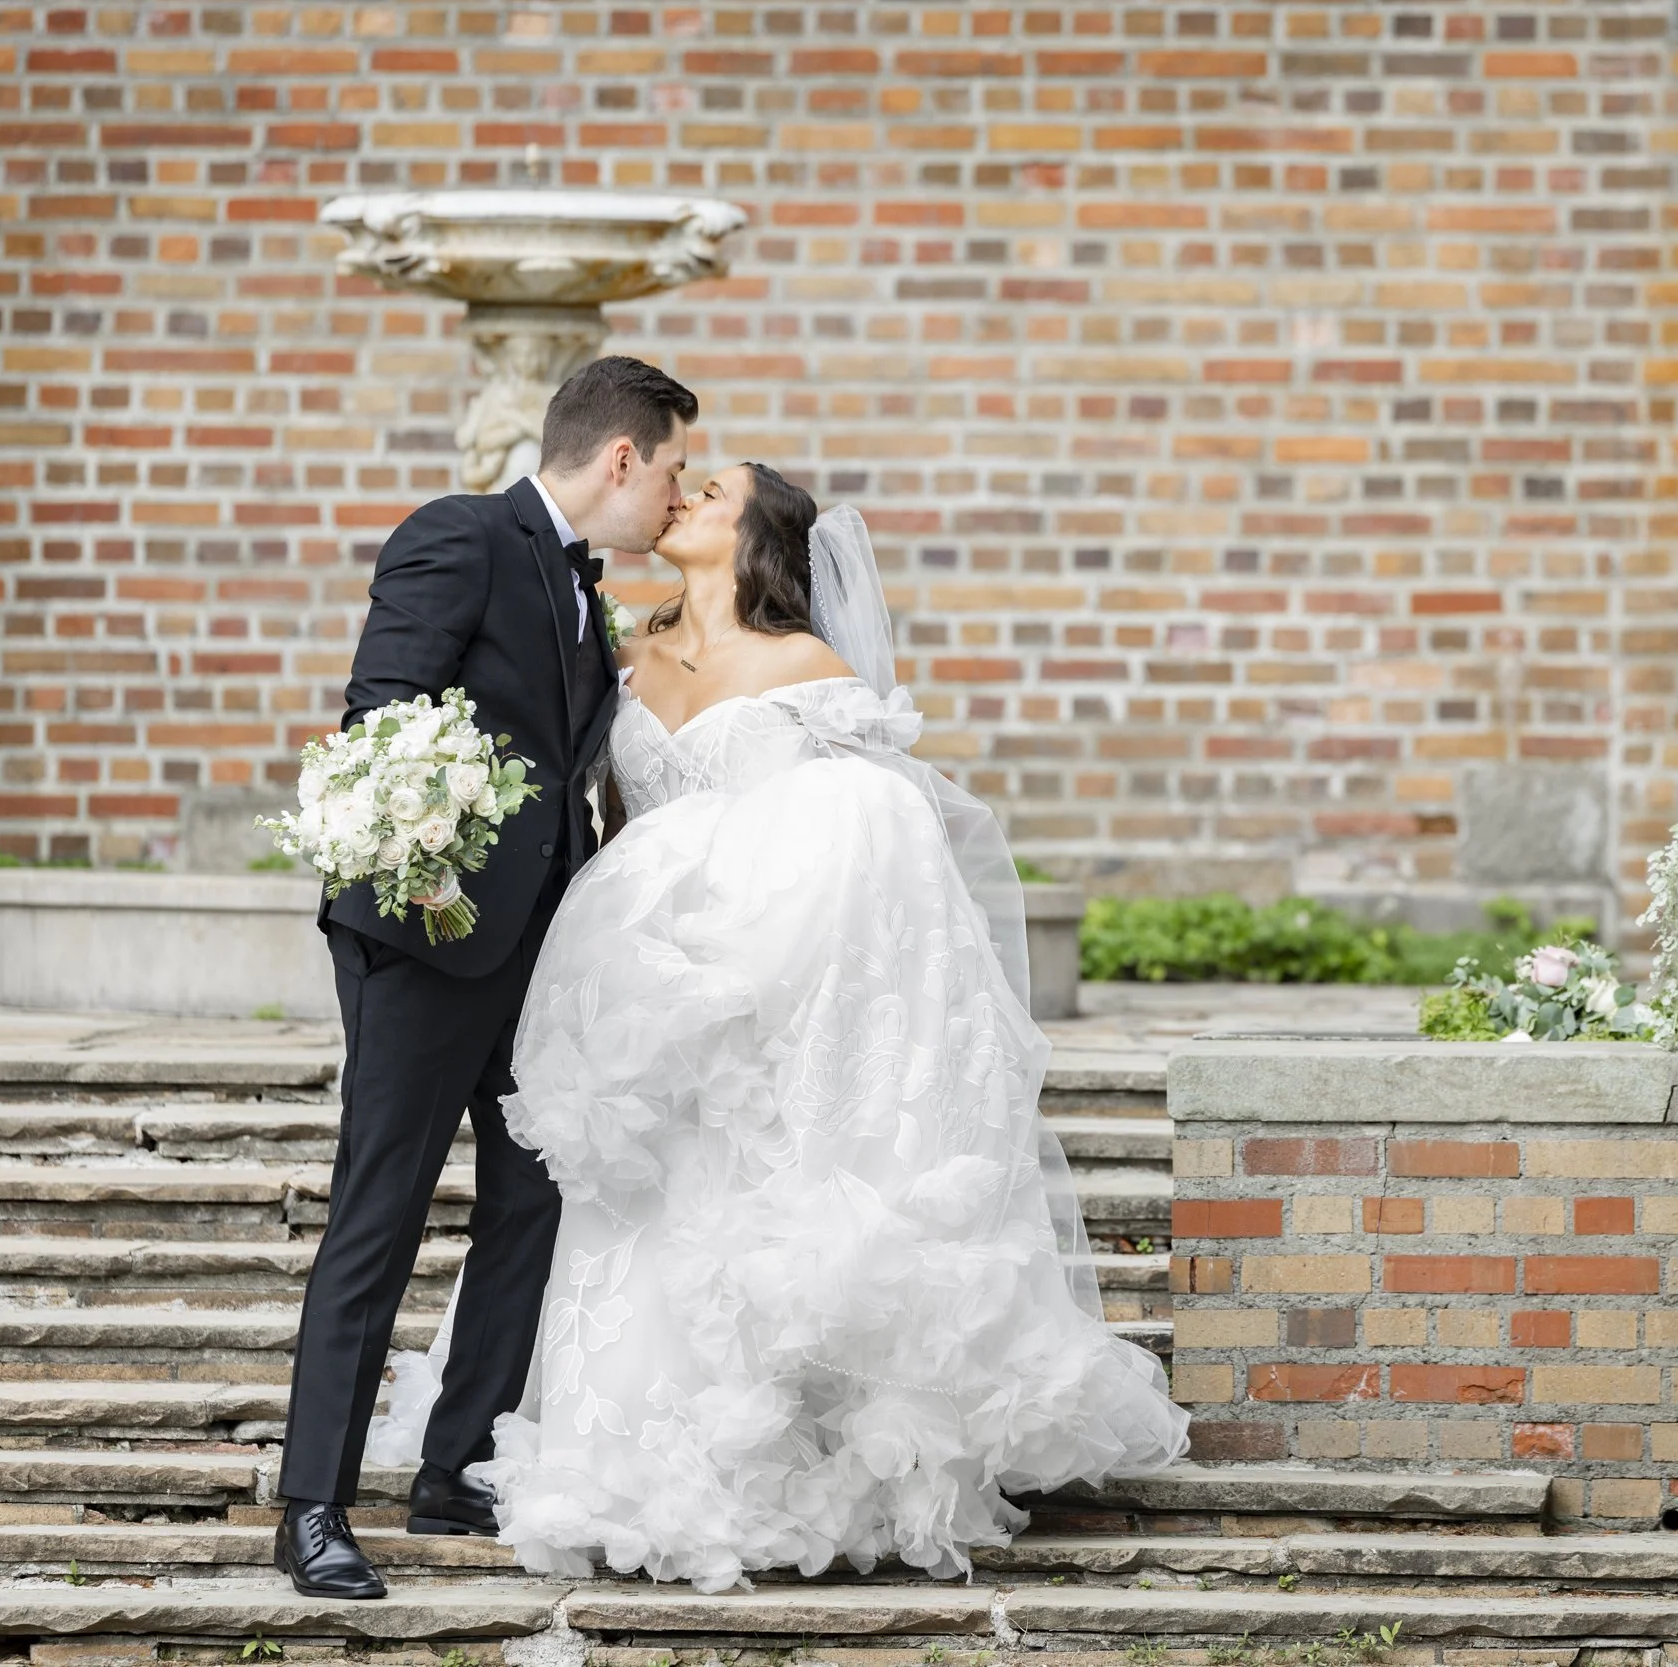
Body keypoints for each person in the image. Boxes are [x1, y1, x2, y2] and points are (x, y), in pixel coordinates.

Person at [371, 462, 1189, 1591]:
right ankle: (601, 1434)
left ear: (756, 532)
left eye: (711, 489)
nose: (683, 495)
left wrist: (764, 961)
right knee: (629, 1194)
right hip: (641, 972)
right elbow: (606, 804)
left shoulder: (808, 668)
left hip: (764, 975)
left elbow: (873, 840)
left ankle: (771, 1450)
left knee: (737, 1197)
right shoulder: (626, 645)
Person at [274, 356, 699, 1600]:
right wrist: (429, 887)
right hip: (424, 940)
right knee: (382, 1206)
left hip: (535, 957)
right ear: (619, 457)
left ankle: (455, 1462)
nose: (675, 495)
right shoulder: (459, 535)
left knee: (534, 1195)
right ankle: (312, 1507)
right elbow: (381, 722)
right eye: (671, 468)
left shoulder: (584, 586)